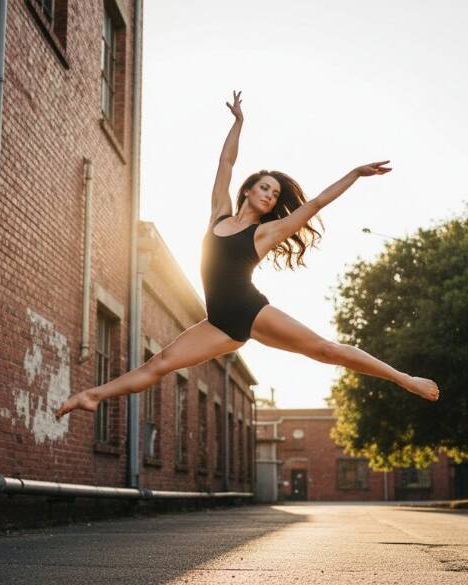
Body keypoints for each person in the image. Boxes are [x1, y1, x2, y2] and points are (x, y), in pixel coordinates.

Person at [55, 90, 439, 420]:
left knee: (324, 350)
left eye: (275, 193)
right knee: (159, 365)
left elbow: (318, 202)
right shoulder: (218, 214)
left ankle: (404, 379)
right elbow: (225, 164)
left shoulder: (267, 232)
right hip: (218, 322)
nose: (271, 195)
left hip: (251, 310)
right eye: (265, 188)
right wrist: (239, 121)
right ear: (249, 190)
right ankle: (94, 395)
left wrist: (355, 173)